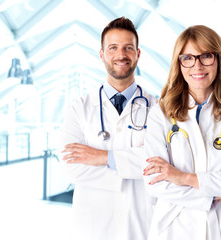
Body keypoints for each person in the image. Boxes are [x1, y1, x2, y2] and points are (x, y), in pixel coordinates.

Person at [142, 25, 221, 240]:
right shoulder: (160, 114)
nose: (197, 65)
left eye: (206, 56)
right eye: (187, 58)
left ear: (218, 60)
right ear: (179, 64)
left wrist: (183, 177)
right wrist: (219, 191)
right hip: (174, 229)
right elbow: (155, 182)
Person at [59, 17, 157, 240]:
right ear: (102, 54)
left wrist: (104, 157)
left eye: (128, 48)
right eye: (113, 48)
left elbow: (160, 161)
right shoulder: (79, 109)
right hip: (93, 226)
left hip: (143, 225)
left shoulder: (158, 109)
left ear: (138, 54)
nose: (121, 55)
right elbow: (71, 167)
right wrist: (133, 170)